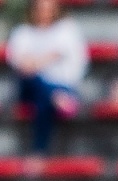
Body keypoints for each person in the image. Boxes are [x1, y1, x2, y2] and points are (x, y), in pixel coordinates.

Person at [6, 0, 87, 157]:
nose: (45, 12)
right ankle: (55, 97)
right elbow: (23, 66)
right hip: (30, 87)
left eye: (49, 8)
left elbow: (75, 65)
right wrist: (48, 58)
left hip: (58, 87)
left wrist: (35, 62)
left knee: (43, 102)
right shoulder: (23, 32)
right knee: (36, 83)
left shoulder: (66, 30)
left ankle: (39, 152)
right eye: (40, 8)